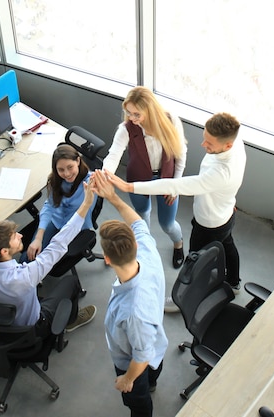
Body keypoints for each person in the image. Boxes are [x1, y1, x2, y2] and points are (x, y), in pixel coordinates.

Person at [105, 112, 246, 311]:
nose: (203, 145)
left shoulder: (220, 173)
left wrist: (129, 187)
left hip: (209, 223)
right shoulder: (236, 141)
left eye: (209, 144)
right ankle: (233, 282)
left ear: (227, 145)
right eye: (204, 138)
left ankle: (181, 300)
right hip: (226, 213)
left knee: (194, 264)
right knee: (228, 245)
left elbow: (175, 184)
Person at [0, 180, 97, 334]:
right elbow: (59, 242)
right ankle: (72, 320)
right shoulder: (27, 276)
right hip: (31, 330)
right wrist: (86, 204)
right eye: (15, 237)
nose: (21, 235)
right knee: (71, 282)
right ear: (4, 251)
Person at [91, 169, 168, 417]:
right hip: (156, 343)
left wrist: (127, 379)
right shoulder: (146, 251)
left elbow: (142, 355)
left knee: (138, 399)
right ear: (134, 244)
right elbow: (138, 222)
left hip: (135, 361)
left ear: (107, 259)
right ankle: (151, 381)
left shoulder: (133, 312)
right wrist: (113, 197)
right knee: (152, 369)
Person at [102, 86, 188, 269]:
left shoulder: (171, 121)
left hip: (167, 180)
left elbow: (181, 155)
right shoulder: (126, 129)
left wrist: (176, 186)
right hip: (138, 180)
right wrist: (104, 174)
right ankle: (146, 249)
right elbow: (113, 154)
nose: (131, 118)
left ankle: (178, 244)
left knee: (167, 224)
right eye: (129, 113)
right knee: (141, 216)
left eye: (136, 114)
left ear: (149, 110)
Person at [23, 144, 96, 261]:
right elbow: (50, 207)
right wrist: (38, 237)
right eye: (61, 170)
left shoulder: (91, 181)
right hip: (56, 221)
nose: (66, 174)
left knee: (42, 260)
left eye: (70, 167)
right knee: (28, 257)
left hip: (75, 227)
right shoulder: (56, 180)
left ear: (78, 161)